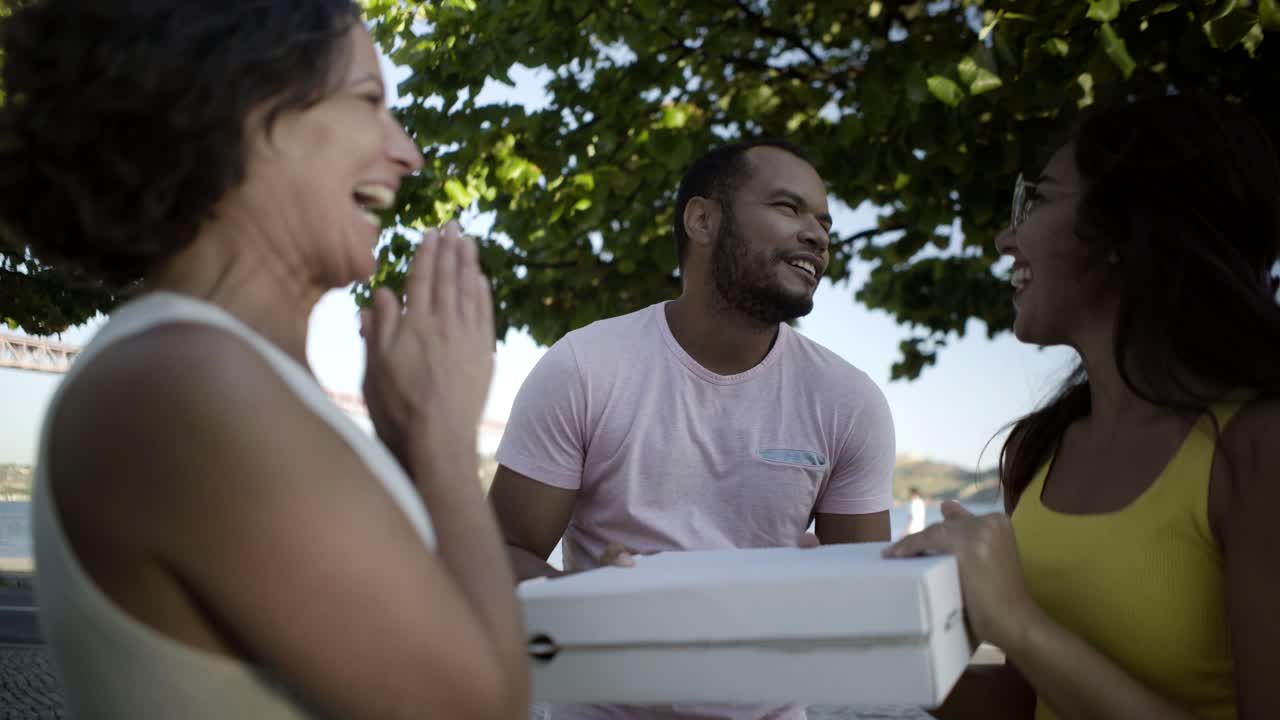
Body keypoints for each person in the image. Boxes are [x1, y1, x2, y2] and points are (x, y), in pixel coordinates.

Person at [0, 2, 527, 718]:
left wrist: (408, 444)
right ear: (243, 107)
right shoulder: (183, 387)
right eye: (370, 100)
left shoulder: (214, 372)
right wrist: (442, 440)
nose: (408, 152)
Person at [884, 94, 1280, 720]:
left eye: (1036, 200)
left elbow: (1030, 646)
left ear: (1124, 228)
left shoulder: (1257, 448)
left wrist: (1016, 622)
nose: (1004, 237)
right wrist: (856, 633)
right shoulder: (1039, 451)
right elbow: (1023, 702)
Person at [489, 139, 897, 720]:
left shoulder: (848, 401)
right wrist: (582, 601)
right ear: (703, 219)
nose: (818, 235)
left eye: (824, 221)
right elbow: (501, 552)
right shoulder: (585, 367)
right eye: (789, 208)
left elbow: (872, 608)